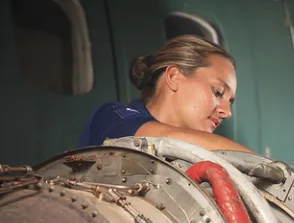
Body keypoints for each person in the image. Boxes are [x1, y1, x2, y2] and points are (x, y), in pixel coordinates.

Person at [78, 35, 250, 152]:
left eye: (230, 101)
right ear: (174, 77)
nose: (227, 112)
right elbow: (167, 138)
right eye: (218, 92)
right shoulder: (112, 118)